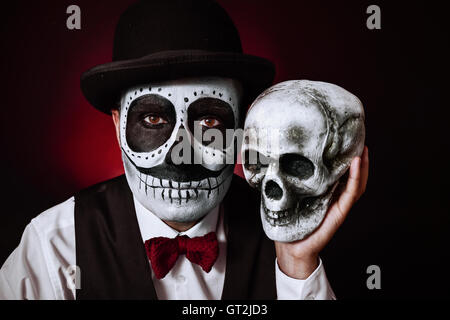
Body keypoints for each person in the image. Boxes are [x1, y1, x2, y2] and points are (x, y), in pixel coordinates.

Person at [0, 0, 369, 300]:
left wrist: (297, 263)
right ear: (117, 125)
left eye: (209, 122)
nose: (180, 157)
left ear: (242, 131)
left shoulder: (281, 227)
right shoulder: (56, 246)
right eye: (153, 120)